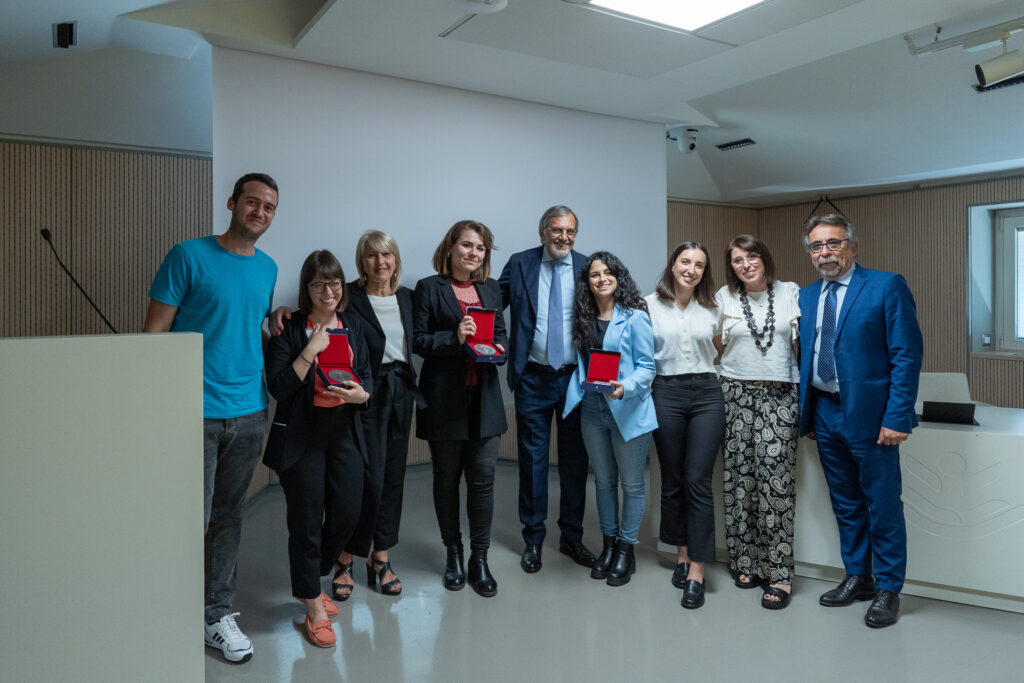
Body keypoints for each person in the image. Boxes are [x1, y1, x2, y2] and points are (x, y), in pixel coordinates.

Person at [143, 172, 279, 663]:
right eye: (252, 202)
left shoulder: (268, 268)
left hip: (250, 412)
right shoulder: (188, 255)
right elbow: (154, 335)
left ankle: (215, 614)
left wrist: (279, 318)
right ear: (232, 203)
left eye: (268, 207)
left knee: (227, 518)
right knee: (186, 521)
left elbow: (247, 326)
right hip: (194, 413)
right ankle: (166, 611)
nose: (259, 212)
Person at [798, 214, 923, 628]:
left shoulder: (886, 286)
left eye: (833, 243)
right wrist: (811, 413)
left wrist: (898, 415)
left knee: (882, 504)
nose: (825, 253)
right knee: (846, 504)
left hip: (874, 418)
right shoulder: (808, 296)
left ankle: (889, 588)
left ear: (852, 246)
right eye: (816, 246)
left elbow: (907, 354)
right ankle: (858, 577)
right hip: (826, 413)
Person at [263, 250, 372, 648]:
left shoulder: (355, 324)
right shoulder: (290, 328)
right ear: (306, 288)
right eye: (320, 284)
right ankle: (312, 604)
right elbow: (278, 386)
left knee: (347, 512)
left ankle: (309, 581)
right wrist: (310, 349)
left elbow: (367, 379)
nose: (329, 291)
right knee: (306, 522)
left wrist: (363, 395)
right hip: (302, 434)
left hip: (344, 429)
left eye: (335, 283)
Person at [413, 220, 508, 597]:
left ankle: (479, 559)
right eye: (467, 245)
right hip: (444, 401)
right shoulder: (428, 288)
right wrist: (454, 338)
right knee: (446, 480)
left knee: (483, 483)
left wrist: (498, 351)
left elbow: (500, 336)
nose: (473, 253)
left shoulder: (491, 288)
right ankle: (453, 552)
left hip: (484, 400)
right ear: (450, 247)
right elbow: (419, 341)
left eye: (480, 248)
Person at [499, 205, 594, 574]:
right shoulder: (520, 263)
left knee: (575, 462)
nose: (564, 238)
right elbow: (493, 307)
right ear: (542, 232)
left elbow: (606, 312)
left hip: (575, 379)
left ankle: (571, 536)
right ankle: (533, 539)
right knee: (533, 462)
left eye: (570, 232)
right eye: (557, 230)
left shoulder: (588, 266)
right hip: (533, 378)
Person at [334, 231, 424, 599]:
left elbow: (424, 337)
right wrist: (279, 313)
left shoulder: (409, 298)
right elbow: (317, 314)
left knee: (392, 477)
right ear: (362, 261)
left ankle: (380, 556)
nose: (380, 262)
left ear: (395, 259)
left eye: (386, 254)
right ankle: (344, 557)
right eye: (371, 256)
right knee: (363, 480)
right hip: (363, 395)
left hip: (400, 391)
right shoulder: (349, 296)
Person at [714, 235, 801, 610]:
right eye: (737, 260)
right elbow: (714, 345)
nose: (746, 264)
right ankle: (745, 562)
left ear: (765, 259)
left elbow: (801, 344)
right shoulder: (724, 297)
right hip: (734, 391)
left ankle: (779, 572)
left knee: (774, 480)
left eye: (752, 257)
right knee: (738, 480)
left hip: (780, 393)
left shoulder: (789, 292)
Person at [563, 251, 657, 587]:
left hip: (628, 407)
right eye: (594, 275)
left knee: (632, 485)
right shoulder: (583, 317)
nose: (601, 279)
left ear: (619, 277)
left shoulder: (635, 317)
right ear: (587, 282)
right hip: (592, 408)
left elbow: (648, 367)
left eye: (608, 273)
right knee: (603, 482)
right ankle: (608, 544)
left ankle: (625, 551)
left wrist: (624, 388)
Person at [645, 242, 724, 609]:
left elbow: (723, 349)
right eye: (685, 262)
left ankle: (697, 568)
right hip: (666, 391)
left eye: (699, 265)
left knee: (698, 479)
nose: (691, 269)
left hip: (708, 392)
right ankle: (680, 551)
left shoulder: (714, 306)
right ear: (673, 265)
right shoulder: (647, 305)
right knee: (673, 478)